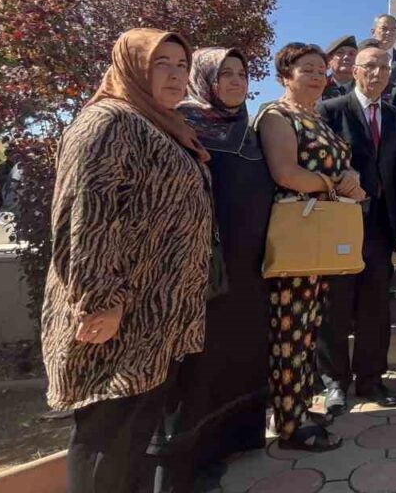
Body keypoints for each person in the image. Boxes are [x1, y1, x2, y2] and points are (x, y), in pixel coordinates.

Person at [42, 29, 213, 493]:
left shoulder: (161, 123)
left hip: (154, 316)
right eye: (161, 63)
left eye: (182, 65)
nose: (175, 75)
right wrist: (100, 300)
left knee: (133, 439)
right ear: (132, 67)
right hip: (118, 315)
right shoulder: (108, 122)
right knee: (108, 440)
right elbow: (86, 217)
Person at [154, 47, 273, 491]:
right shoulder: (181, 125)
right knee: (199, 366)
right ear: (205, 78)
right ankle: (191, 463)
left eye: (242, 73)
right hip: (204, 266)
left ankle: (235, 441)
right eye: (225, 74)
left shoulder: (248, 128)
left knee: (240, 353)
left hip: (251, 266)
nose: (236, 81)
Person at [256, 42, 367, 451]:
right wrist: (335, 184)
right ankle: (290, 425)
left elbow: (337, 164)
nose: (318, 76)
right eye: (307, 69)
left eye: (322, 70)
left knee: (308, 329)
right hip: (297, 233)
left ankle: (300, 406)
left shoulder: (314, 116)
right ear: (285, 75)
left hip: (319, 232)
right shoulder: (276, 115)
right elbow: (285, 173)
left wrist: (350, 178)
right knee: (289, 327)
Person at [317, 46, 396, 413]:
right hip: (340, 223)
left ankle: (371, 379)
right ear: (355, 70)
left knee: (376, 306)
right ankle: (334, 381)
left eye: (385, 66)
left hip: (380, 227)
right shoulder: (331, 110)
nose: (378, 72)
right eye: (370, 65)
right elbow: (319, 163)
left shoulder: (395, 116)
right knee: (336, 306)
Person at [323, 35, 358, 100]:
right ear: (329, 59)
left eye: (351, 54)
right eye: (340, 53)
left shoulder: (363, 87)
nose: (346, 57)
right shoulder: (320, 86)